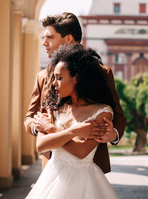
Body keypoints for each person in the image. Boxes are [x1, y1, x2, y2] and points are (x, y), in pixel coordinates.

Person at [24, 12, 126, 173]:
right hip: (52, 165)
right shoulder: (42, 77)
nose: (44, 43)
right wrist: (39, 126)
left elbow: (118, 115)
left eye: (50, 37)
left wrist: (112, 134)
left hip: (90, 166)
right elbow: (29, 118)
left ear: (69, 39)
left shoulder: (101, 73)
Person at [26, 43, 119, 199]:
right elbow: (41, 144)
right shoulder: (53, 107)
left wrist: (51, 129)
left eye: (59, 78)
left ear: (77, 78)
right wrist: (74, 131)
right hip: (50, 180)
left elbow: (81, 152)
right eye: (54, 78)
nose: (54, 83)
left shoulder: (102, 112)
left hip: (85, 185)